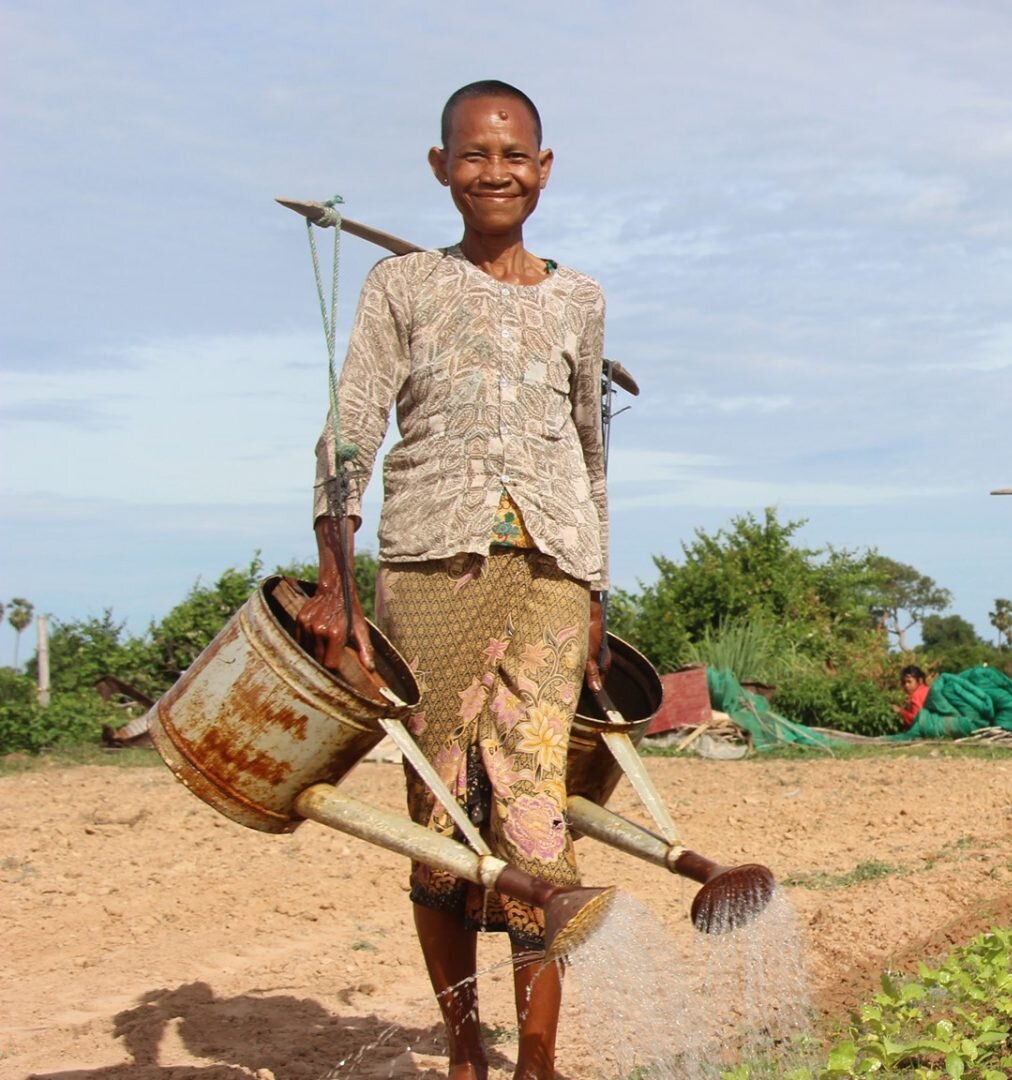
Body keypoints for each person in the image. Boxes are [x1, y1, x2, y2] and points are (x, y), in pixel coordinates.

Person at [294, 79, 608, 1080]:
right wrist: (336, 577)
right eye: (475, 154)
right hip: (430, 570)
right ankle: (465, 1047)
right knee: (440, 810)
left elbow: (591, 452)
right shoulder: (403, 286)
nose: (495, 172)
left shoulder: (580, 298)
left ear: (544, 170)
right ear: (441, 168)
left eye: (515, 156)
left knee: (533, 804)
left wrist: (597, 592)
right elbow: (351, 427)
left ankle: (538, 1061)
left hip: (554, 568)